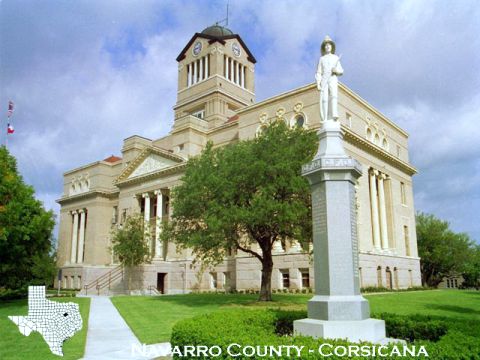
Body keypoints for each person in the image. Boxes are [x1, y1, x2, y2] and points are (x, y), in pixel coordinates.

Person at [315, 36, 343, 122]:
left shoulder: (335, 58)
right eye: (326, 45)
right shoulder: (321, 59)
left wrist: (336, 71)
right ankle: (325, 118)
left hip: (333, 78)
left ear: (331, 47)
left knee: (333, 95)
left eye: (329, 45)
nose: (327, 47)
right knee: (324, 99)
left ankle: (334, 113)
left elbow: (341, 71)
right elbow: (319, 72)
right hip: (324, 79)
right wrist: (318, 83)